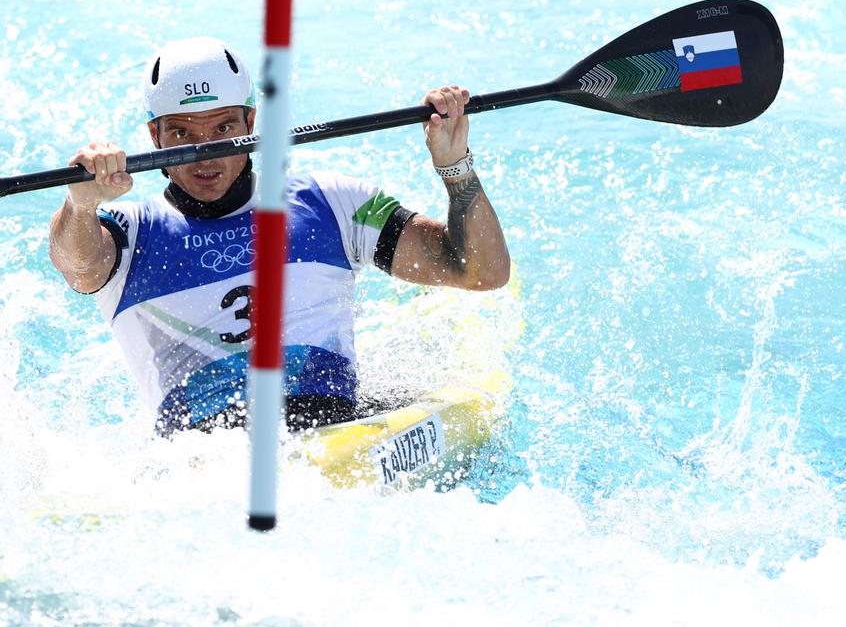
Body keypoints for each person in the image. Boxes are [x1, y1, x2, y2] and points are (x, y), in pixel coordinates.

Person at [49, 37, 509, 436]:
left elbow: (480, 271)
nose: (204, 154)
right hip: (200, 461)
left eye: (223, 128)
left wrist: (455, 164)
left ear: (251, 123)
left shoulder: (332, 202)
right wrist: (81, 203)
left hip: (335, 431)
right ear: (155, 135)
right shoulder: (126, 235)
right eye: (182, 133)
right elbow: (78, 264)